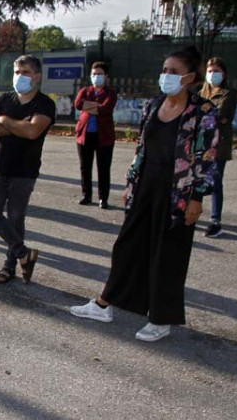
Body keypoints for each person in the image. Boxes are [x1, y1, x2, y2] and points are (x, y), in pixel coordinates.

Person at [70, 46, 219, 343]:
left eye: (173, 72)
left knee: (167, 254)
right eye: (164, 70)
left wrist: (197, 197)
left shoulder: (203, 111)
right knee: (127, 246)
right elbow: (141, 149)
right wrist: (131, 185)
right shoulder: (153, 105)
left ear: (190, 77)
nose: (166, 76)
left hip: (178, 191)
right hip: (146, 184)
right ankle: (105, 304)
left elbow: (207, 158)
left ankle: (161, 318)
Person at [0, 55, 55, 285]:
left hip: (24, 172)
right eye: (16, 72)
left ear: (37, 76)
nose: (19, 77)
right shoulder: (4, 98)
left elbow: (33, 132)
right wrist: (20, 126)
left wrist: (4, 120)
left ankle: (9, 266)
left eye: (25, 73)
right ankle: (24, 254)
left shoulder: (44, 104)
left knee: (15, 219)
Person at [199, 57, 237, 238]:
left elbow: (219, 115)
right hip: (201, 142)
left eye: (216, 71)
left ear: (224, 74)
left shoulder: (229, 93)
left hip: (219, 144)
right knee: (196, 178)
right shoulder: (202, 91)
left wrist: (205, 111)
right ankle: (191, 210)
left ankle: (215, 220)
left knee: (215, 181)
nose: (212, 74)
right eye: (210, 71)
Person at [74, 61, 117, 209]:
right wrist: (96, 106)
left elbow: (106, 109)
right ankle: (86, 195)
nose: (96, 77)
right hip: (84, 135)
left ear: (106, 76)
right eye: (94, 74)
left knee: (103, 168)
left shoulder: (111, 92)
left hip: (104, 136)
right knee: (85, 167)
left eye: (99, 74)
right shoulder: (85, 90)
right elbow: (78, 104)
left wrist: (89, 106)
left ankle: (103, 198)